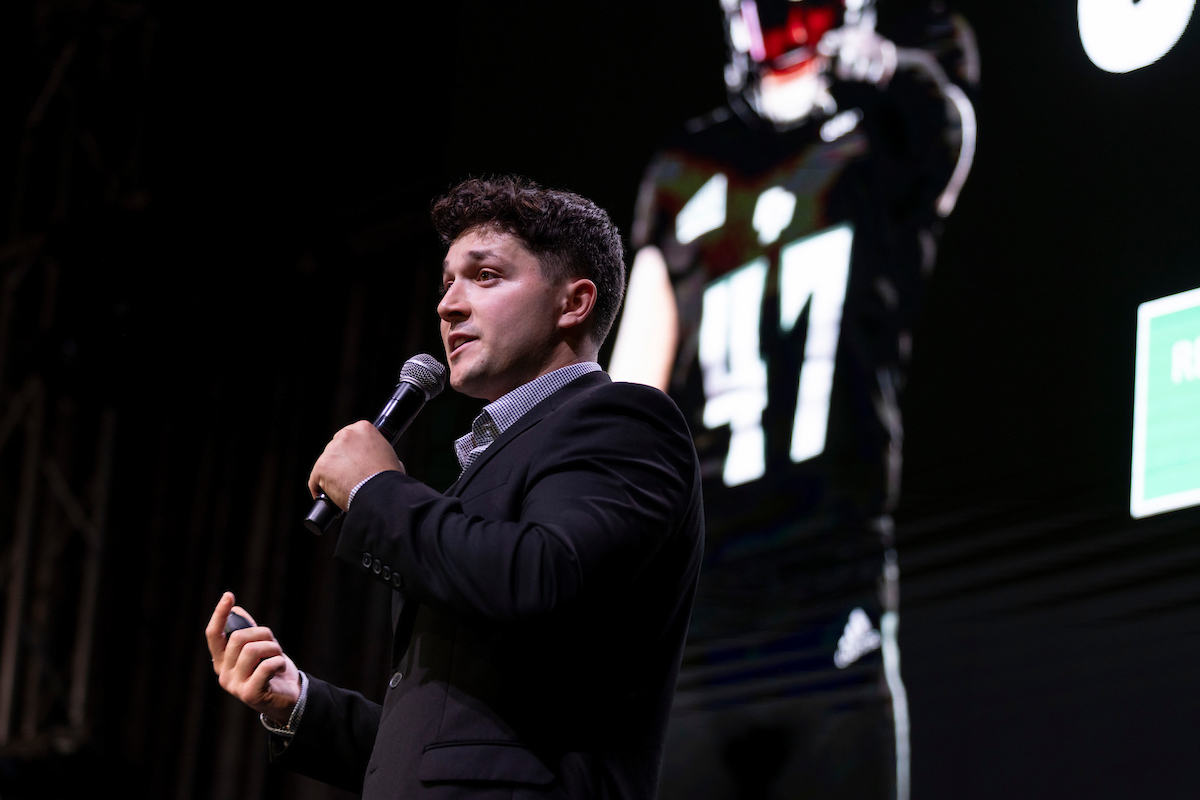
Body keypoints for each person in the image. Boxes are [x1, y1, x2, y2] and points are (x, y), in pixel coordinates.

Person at [205, 175, 705, 799]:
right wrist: (297, 703)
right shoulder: (490, 465)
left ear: (574, 304)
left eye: (486, 276)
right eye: (446, 283)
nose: (447, 304)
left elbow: (542, 575)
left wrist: (377, 488)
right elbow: (446, 750)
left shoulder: (623, 419)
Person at [606, 2, 978, 799]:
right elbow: (633, 397)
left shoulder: (884, 133)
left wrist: (883, 65)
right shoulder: (685, 165)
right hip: (701, 602)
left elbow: (947, 133)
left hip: (829, 584)